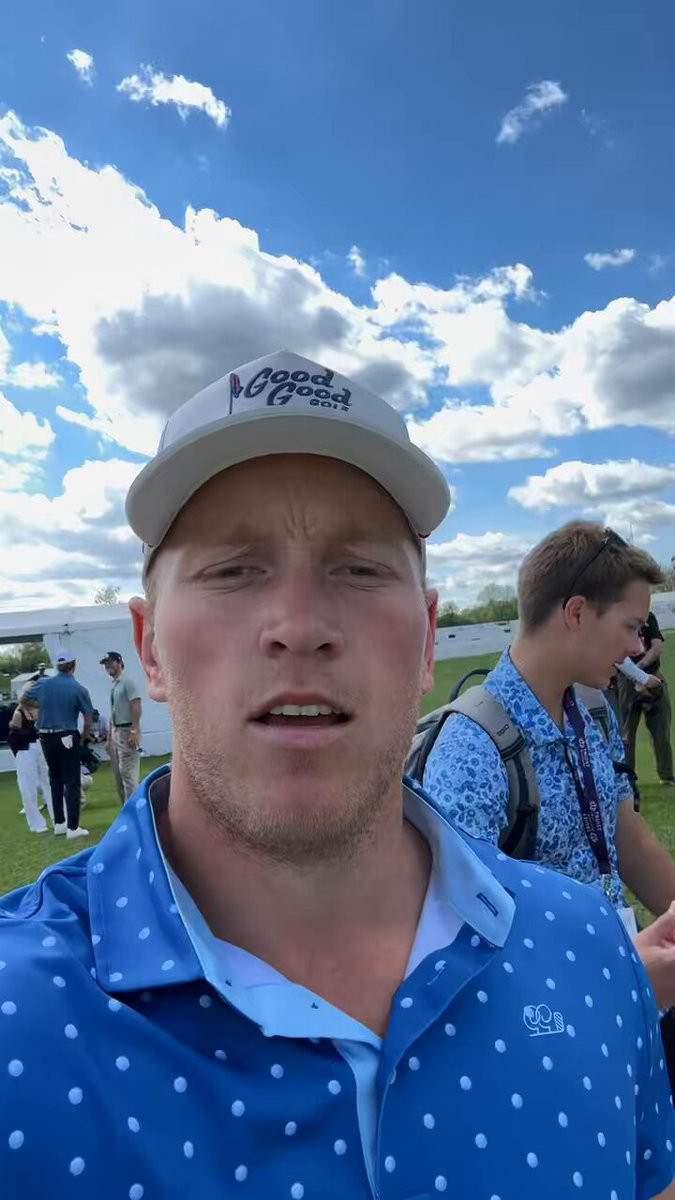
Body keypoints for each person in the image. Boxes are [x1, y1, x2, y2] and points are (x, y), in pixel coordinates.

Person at [0, 352, 673, 1200]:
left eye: (359, 568)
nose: (300, 624)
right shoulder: (18, 1022)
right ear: (150, 648)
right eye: (231, 569)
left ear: (426, 639)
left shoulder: (587, 950)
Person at [423, 523, 675, 996]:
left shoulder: (593, 711)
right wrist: (621, 986)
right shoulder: (472, 750)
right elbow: (464, 938)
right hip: (557, 1010)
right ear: (577, 612)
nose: (637, 647)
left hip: (627, 971)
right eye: (631, 627)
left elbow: (629, 839)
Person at [34, 651, 93, 839]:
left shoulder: (43, 684)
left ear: (57, 666)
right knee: (72, 780)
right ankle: (73, 828)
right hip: (66, 735)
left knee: (55, 778)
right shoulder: (78, 688)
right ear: (73, 665)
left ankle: (59, 823)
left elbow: (25, 698)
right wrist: (83, 738)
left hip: (45, 736)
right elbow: (88, 718)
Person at [616, 610, 675, 786]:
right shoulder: (617, 619)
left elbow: (657, 646)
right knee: (626, 731)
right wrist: (636, 675)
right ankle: (627, 778)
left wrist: (640, 670)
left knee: (661, 728)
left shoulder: (649, 617)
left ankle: (667, 775)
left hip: (652, 674)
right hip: (626, 680)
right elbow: (616, 652)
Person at [100, 651, 142, 803]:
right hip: (116, 732)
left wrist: (134, 730)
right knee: (118, 774)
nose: (107, 666)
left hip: (126, 730)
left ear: (119, 663)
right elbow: (114, 714)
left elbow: (136, 706)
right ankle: (126, 807)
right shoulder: (115, 685)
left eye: (110, 662)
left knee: (127, 772)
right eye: (105, 664)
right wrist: (109, 739)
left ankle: (133, 807)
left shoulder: (127, 682)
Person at [7, 697, 54, 832]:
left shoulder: (40, 709)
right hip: (24, 749)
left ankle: (58, 818)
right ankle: (36, 824)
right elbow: (14, 736)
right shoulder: (19, 713)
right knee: (28, 787)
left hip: (38, 747)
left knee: (49, 783)